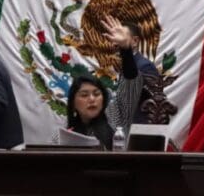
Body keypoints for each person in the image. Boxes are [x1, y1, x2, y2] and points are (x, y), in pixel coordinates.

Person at [58, 16, 143, 148]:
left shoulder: (116, 115)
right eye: (84, 95)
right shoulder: (65, 132)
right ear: (73, 103)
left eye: (97, 94)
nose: (92, 99)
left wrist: (126, 50)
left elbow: (130, 84)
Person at [122, 21, 158, 125]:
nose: (115, 43)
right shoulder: (123, 65)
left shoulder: (145, 66)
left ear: (135, 41)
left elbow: (153, 102)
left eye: (122, 38)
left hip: (139, 127)